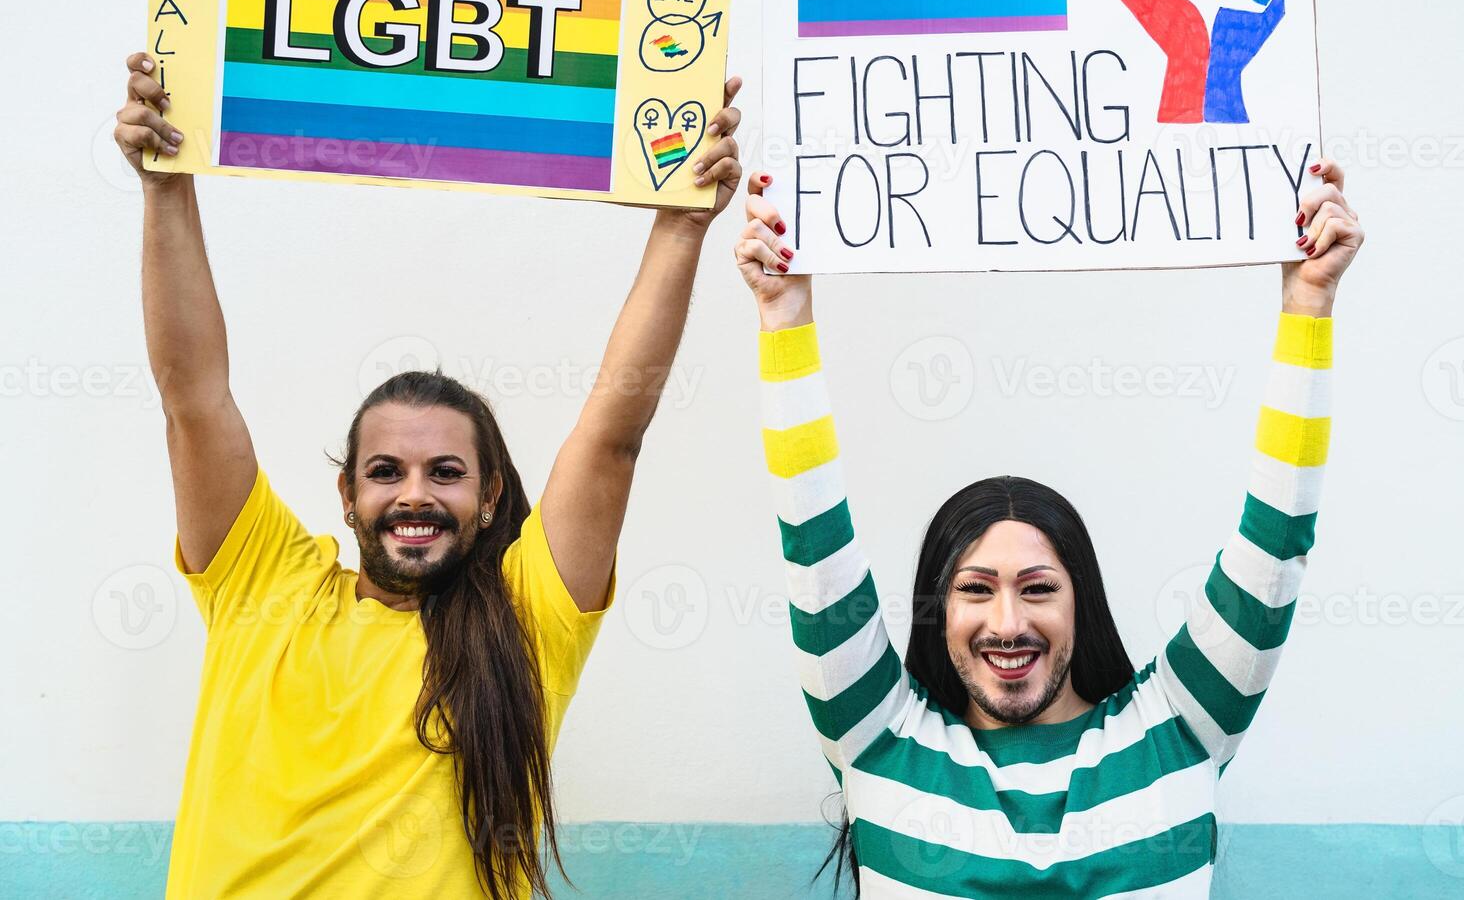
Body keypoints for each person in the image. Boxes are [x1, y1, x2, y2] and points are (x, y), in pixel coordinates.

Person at [112, 51, 743, 899]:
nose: (414, 493)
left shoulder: (527, 620)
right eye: (385, 470)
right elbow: (193, 395)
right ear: (348, 497)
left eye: (445, 471)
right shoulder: (261, 582)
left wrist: (681, 227)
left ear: (488, 500)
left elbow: (610, 438)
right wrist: (166, 187)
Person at [734, 165, 1363, 897]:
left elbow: (1276, 541)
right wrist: (784, 317)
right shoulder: (877, 737)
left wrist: (1309, 303)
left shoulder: (1182, 728)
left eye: (1038, 588)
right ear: (942, 612)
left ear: (1079, 604)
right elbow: (813, 538)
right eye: (976, 588)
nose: (1008, 622)